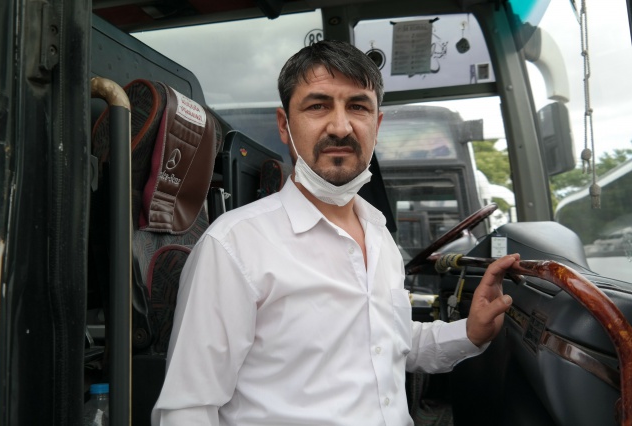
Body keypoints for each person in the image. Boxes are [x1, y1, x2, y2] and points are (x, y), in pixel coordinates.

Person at [151, 40, 519, 426]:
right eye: (318, 106)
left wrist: (470, 332)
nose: (341, 127)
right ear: (284, 125)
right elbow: (188, 409)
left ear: (376, 125)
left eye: (358, 107)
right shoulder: (234, 246)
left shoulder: (379, 236)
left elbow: (389, 342)